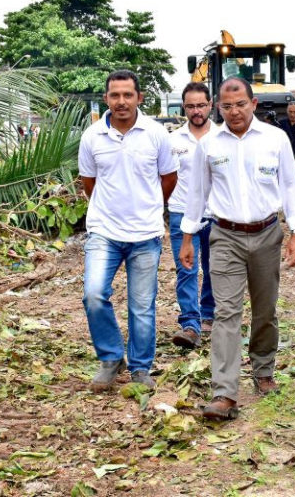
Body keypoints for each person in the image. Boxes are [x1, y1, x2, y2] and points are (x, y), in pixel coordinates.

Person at [180, 77, 295, 420]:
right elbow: (197, 193)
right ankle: (224, 392)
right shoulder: (209, 145)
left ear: (253, 103)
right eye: (227, 105)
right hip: (225, 236)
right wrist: (188, 237)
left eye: (240, 104)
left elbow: (291, 187)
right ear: (218, 107)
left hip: (267, 234)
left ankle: (263, 370)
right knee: (226, 313)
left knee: (265, 310)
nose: (234, 111)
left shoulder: (275, 139)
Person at [79, 70, 178, 392]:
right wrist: (111, 210)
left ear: (139, 98)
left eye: (127, 95)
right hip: (103, 231)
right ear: (106, 98)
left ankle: (139, 368)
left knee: (142, 306)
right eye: (114, 95)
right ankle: (110, 358)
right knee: (94, 294)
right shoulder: (92, 136)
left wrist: (147, 207)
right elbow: (89, 183)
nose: (121, 102)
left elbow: (169, 178)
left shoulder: (156, 133)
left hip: (145, 234)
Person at [168, 82, 215, 349]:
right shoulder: (173, 141)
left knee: (214, 269)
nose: (196, 111)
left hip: (215, 215)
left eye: (201, 105)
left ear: (210, 104)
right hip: (181, 214)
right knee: (186, 269)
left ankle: (208, 312)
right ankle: (190, 324)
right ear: (183, 108)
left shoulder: (222, 137)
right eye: (190, 106)